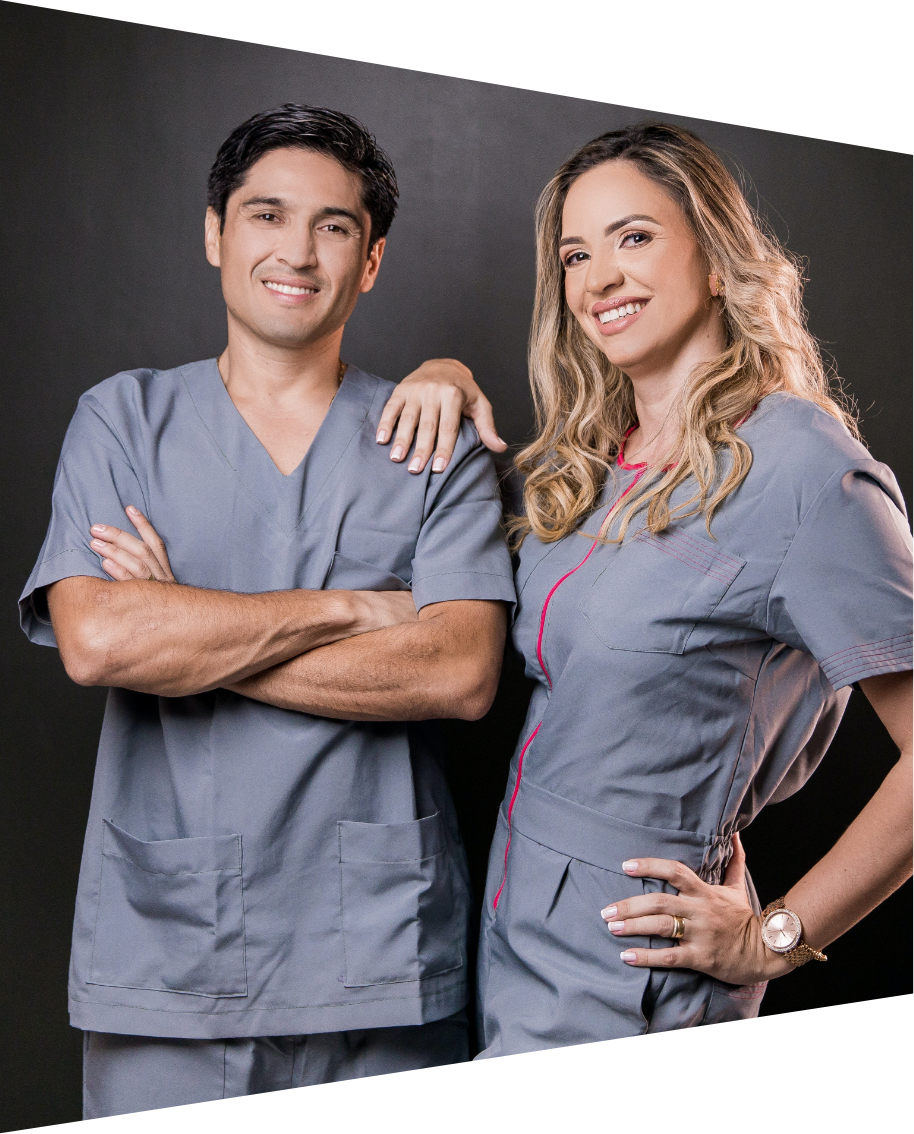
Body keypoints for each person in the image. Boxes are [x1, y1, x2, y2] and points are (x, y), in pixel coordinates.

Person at [19, 104, 515, 1117]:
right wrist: (359, 611)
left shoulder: (434, 441)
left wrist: (185, 625)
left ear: (369, 260)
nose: (296, 250)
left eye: (333, 226)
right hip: (167, 960)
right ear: (214, 232)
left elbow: (458, 674)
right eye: (265, 215)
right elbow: (97, 640)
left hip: (375, 958)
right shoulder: (122, 419)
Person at [376, 122, 914, 1055]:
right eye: (575, 254)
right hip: (510, 938)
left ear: (716, 257)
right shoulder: (585, 463)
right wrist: (446, 374)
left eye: (634, 238)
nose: (597, 280)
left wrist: (772, 937)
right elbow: (454, 607)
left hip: (634, 972)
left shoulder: (807, 473)